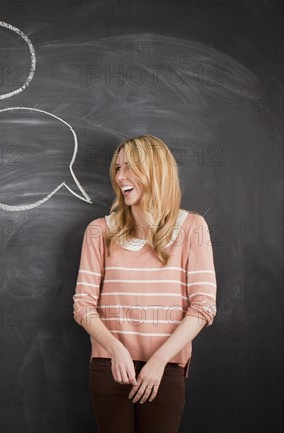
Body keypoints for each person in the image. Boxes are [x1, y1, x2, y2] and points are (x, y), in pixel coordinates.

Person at [73, 134, 217, 433]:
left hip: (166, 369)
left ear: (156, 172)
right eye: (117, 168)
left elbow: (203, 307)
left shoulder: (193, 227)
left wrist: (160, 361)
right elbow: (83, 306)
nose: (120, 176)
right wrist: (116, 350)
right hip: (110, 366)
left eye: (129, 167)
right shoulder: (99, 231)